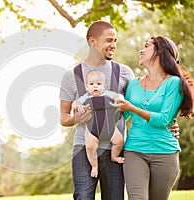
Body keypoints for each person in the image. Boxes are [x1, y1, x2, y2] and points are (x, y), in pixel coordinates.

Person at [59, 20, 181, 200]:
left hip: (115, 147)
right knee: (83, 196)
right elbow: (63, 117)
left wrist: (169, 123)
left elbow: (138, 106)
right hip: (84, 147)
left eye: (115, 40)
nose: (113, 45)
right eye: (109, 40)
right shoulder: (72, 76)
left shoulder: (124, 73)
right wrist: (77, 118)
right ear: (92, 41)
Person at [115, 36, 194, 200]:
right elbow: (123, 116)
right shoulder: (134, 85)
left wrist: (131, 107)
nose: (141, 50)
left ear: (160, 51)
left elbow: (163, 119)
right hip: (134, 150)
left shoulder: (174, 83)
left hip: (165, 153)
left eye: (147, 46)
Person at [72, 70, 124, 178]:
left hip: (110, 128)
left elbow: (118, 96)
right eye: (91, 84)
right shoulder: (85, 97)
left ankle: (114, 156)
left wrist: (119, 100)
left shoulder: (108, 94)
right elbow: (75, 103)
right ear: (87, 86)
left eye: (99, 84)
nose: (95, 86)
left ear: (104, 86)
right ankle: (94, 166)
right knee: (90, 147)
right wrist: (79, 106)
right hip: (93, 129)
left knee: (119, 141)